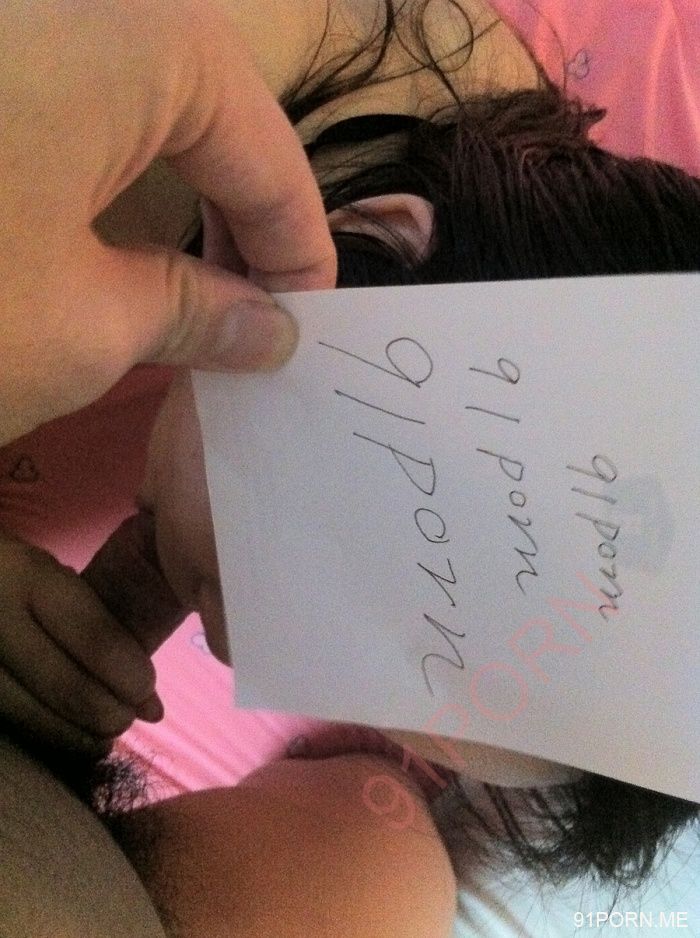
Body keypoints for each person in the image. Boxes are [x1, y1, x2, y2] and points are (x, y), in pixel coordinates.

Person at [1, 0, 699, 935]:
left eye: (355, 684)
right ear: (372, 231)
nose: (241, 658)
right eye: (343, 586)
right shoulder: (126, 101)